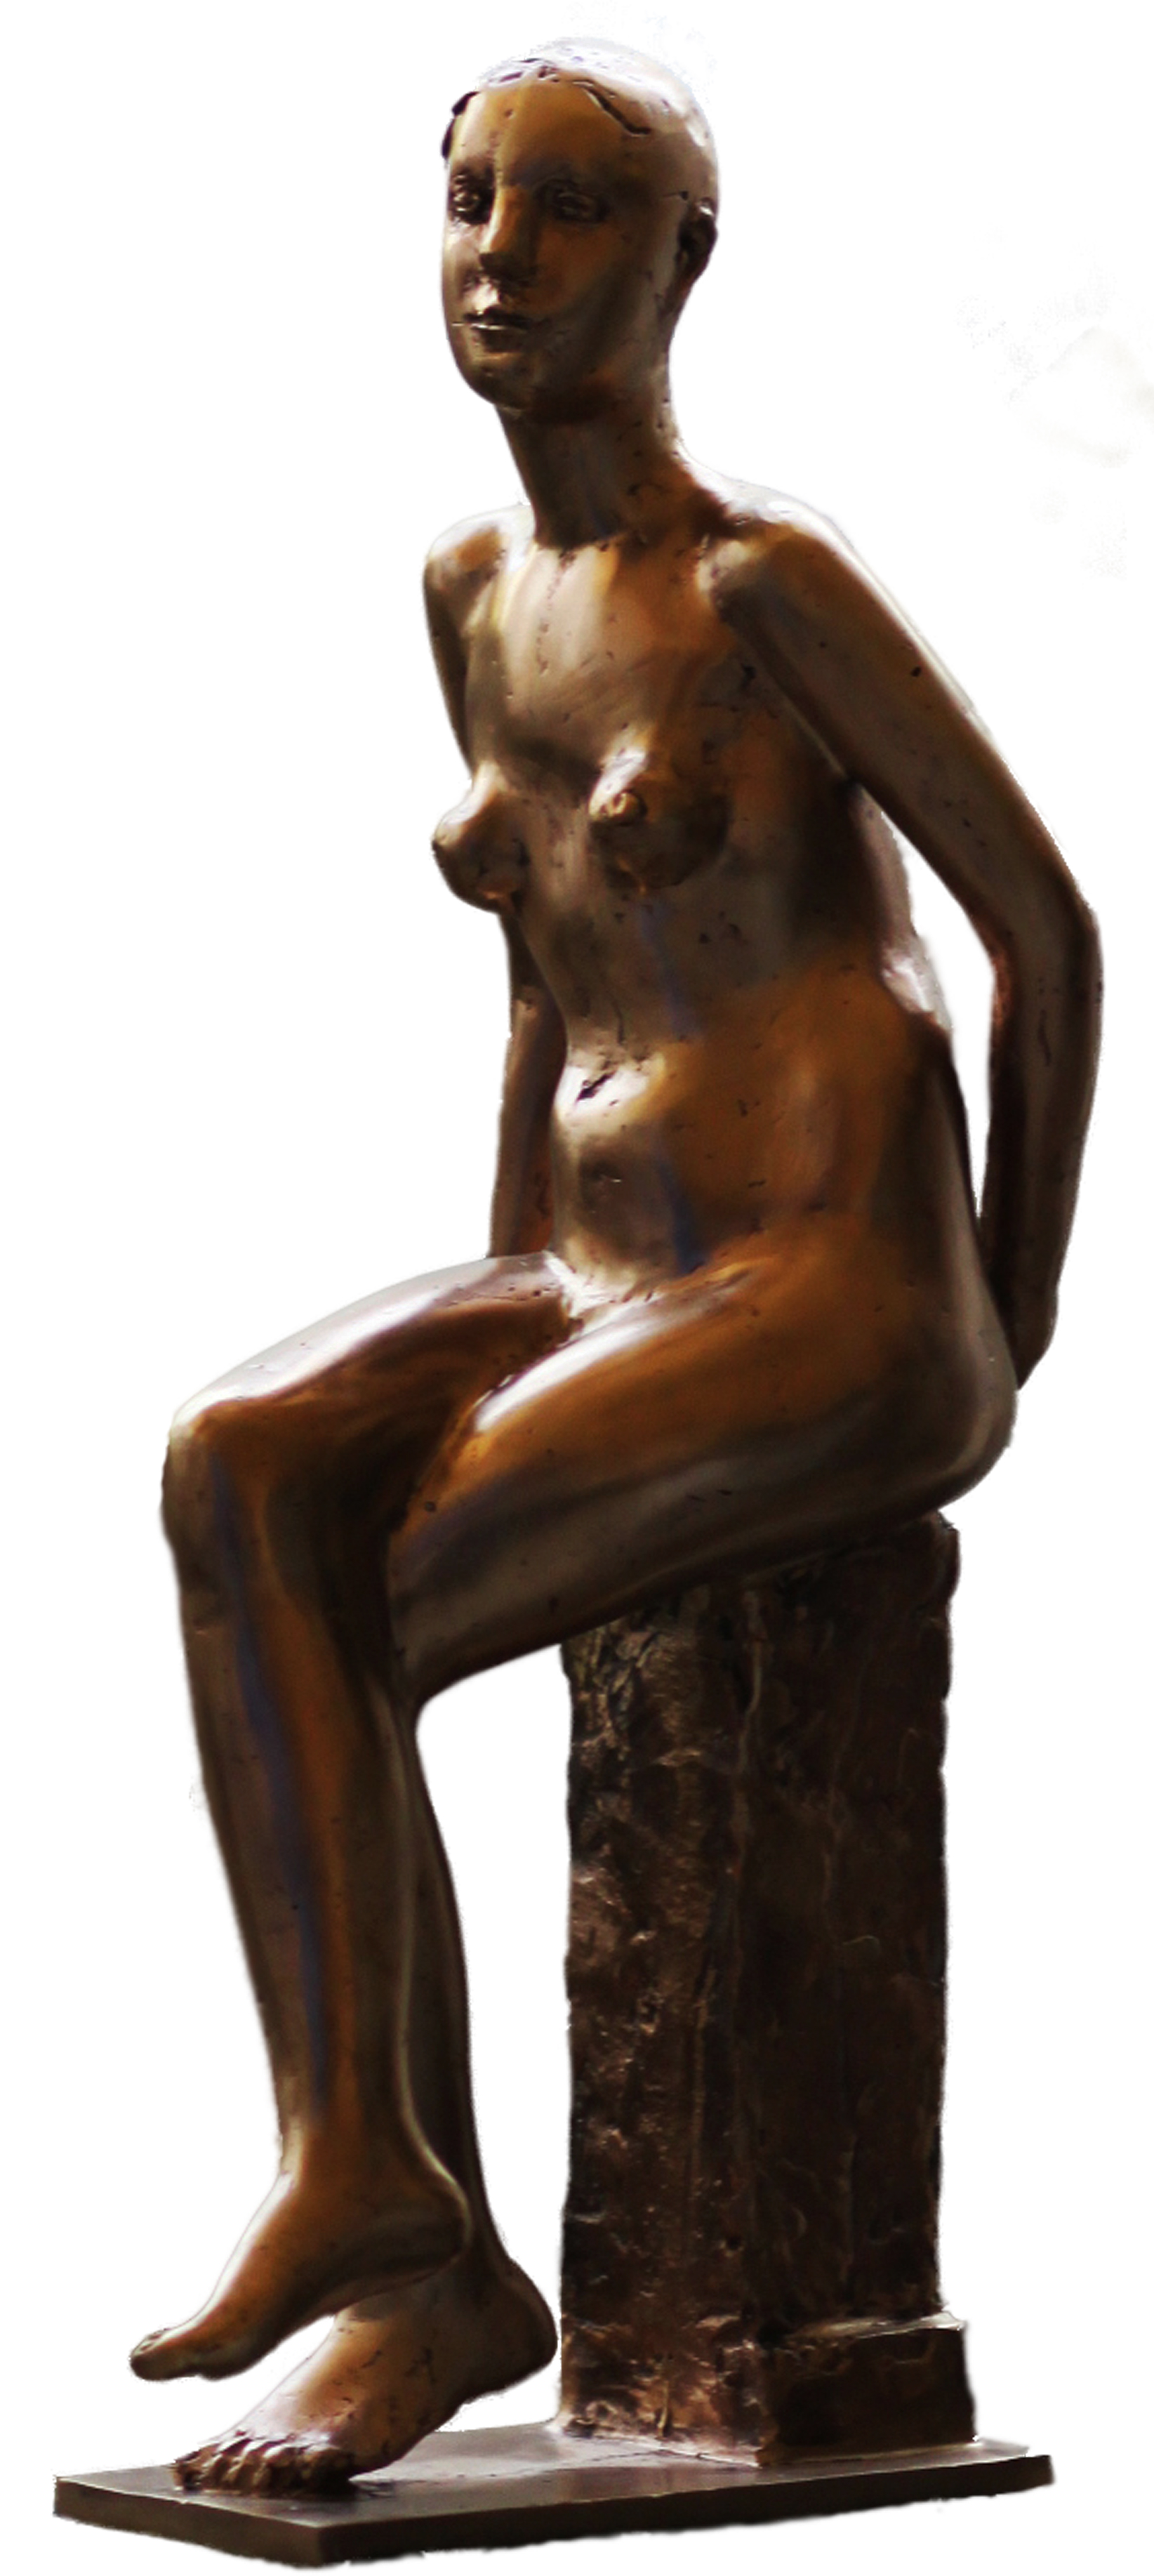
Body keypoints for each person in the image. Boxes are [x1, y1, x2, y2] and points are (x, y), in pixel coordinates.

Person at [130, 41, 1100, 2493]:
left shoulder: (758, 585)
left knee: (367, 1605)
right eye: (473, 200)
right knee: (239, 1460)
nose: (505, 258)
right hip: (600, 1268)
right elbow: (542, 981)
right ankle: (372, 2189)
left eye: (573, 210)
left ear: (682, 259)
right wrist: (486, 1328)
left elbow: (1046, 933)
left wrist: (1005, 1317)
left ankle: (422, 2273)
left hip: (827, 1280)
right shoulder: (469, 595)